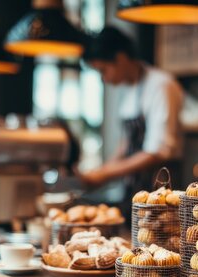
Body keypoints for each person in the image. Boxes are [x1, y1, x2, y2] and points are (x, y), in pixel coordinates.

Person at [79, 26, 184, 198]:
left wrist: (106, 174)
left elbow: (156, 152)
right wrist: (103, 170)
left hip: (161, 190)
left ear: (120, 58)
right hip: (135, 189)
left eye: (103, 70)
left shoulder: (161, 85)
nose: (103, 79)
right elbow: (126, 143)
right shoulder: (128, 88)